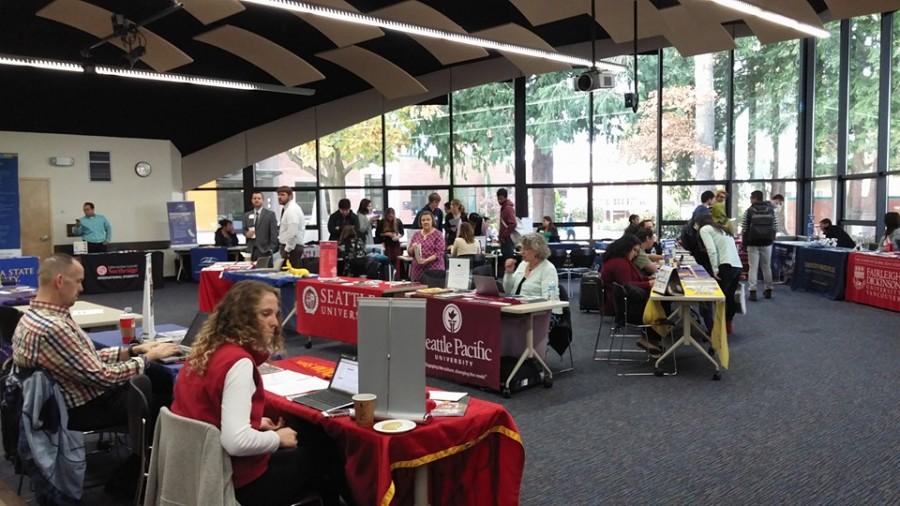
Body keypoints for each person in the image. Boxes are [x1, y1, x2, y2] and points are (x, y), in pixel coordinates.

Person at [171, 281, 341, 505]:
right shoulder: (238, 363)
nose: (275, 323)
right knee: (325, 452)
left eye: (276, 314)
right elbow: (236, 442)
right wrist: (275, 438)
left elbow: (206, 411)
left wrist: (254, 423)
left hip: (195, 470)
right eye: (265, 314)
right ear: (242, 318)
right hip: (236, 482)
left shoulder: (207, 350)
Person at [12, 254, 180, 452]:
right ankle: (140, 466)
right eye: (79, 281)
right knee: (165, 401)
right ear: (59, 281)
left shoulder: (32, 317)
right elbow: (102, 376)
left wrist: (132, 351)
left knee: (155, 379)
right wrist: (147, 358)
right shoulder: (54, 327)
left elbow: (79, 359)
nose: (82, 288)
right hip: (81, 409)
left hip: (56, 403)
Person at [599, 235, 661, 354]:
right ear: (625, 248)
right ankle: (649, 338)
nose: (636, 254)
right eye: (634, 250)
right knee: (659, 302)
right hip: (623, 306)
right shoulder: (620, 263)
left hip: (620, 302)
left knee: (657, 301)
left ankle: (652, 338)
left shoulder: (621, 261)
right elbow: (628, 285)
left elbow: (633, 281)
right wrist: (649, 283)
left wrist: (648, 279)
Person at [696, 214, 742, 334]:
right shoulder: (721, 229)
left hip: (725, 265)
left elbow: (712, 250)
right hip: (736, 264)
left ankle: (716, 330)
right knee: (729, 298)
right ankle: (727, 326)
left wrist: (715, 269)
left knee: (718, 299)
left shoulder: (705, 229)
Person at [502, 233, 561, 314]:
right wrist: (509, 273)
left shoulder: (548, 269)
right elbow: (508, 290)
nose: (521, 252)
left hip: (541, 314)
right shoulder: (523, 264)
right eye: (521, 249)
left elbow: (548, 301)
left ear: (537, 250)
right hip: (518, 310)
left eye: (525, 249)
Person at [741, 190, 776, 301]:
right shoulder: (770, 210)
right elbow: (775, 227)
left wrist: (744, 243)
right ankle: (768, 289)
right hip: (767, 243)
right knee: (766, 266)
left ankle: (753, 291)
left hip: (753, 243)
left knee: (753, 267)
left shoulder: (749, 211)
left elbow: (744, 228)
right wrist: (771, 239)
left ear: (754, 198)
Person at [408, 212, 445, 283]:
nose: (425, 222)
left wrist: (426, 260)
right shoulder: (416, 234)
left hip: (434, 270)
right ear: (420, 222)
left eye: (428, 219)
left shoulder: (438, 234)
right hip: (417, 271)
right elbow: (410, 252)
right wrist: (412, 248)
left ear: (432, 221)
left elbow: (439, 253)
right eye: (423, 220)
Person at [244, 191, 279, 262]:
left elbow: (274, 233)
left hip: (265, 250)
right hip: (251, 250)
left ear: (263, 200)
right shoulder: (247, 215)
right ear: (251, 200)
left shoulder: (270, 214)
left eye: (259, 198)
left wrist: (271, 249)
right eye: (254, 198)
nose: (256, 200)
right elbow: (244, 229)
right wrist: (246, 233)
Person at [277, 186, 307, 268]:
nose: (279, 197)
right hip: (292, 247)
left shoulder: (291, 210)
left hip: (292, 248)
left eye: (283, 195)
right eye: (278, 195)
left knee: (290, 276)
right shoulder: (288, 209)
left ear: (290, 196)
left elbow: (293, 232)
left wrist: (287, 250)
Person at [497, 188, 517, 259]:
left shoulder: (507, 208)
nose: (499, 200)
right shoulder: (504, 208)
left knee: (508, 259)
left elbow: (513, 223)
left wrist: (503, 235)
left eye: (501, 198)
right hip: (505, 239)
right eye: (498, 198)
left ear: (505, 197)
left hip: (507, 239)